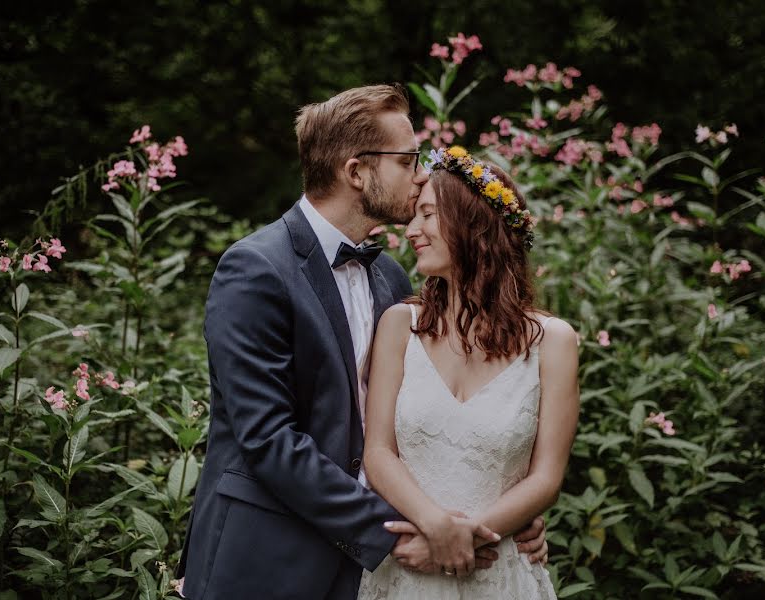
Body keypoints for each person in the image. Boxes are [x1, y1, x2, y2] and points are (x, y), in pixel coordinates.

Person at [177, 86, 547, 600]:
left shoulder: (391, 279)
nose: (421, 174)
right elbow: (267, 439)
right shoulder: (255, 269)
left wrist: (499, 521)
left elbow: (414, 425)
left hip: (368, 575)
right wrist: (393, 535)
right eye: (408, 160)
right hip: (269, 557)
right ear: (356, 171)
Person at [357, 146, 580, 599]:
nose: (412, 231)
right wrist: (437, 528)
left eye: (428, 215)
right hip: (405, 569)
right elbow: (378, 452)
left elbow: (545, 478)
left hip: (500, 569)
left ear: (474, 226)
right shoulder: (400, 325)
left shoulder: (553, 342)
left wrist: (463, 539)